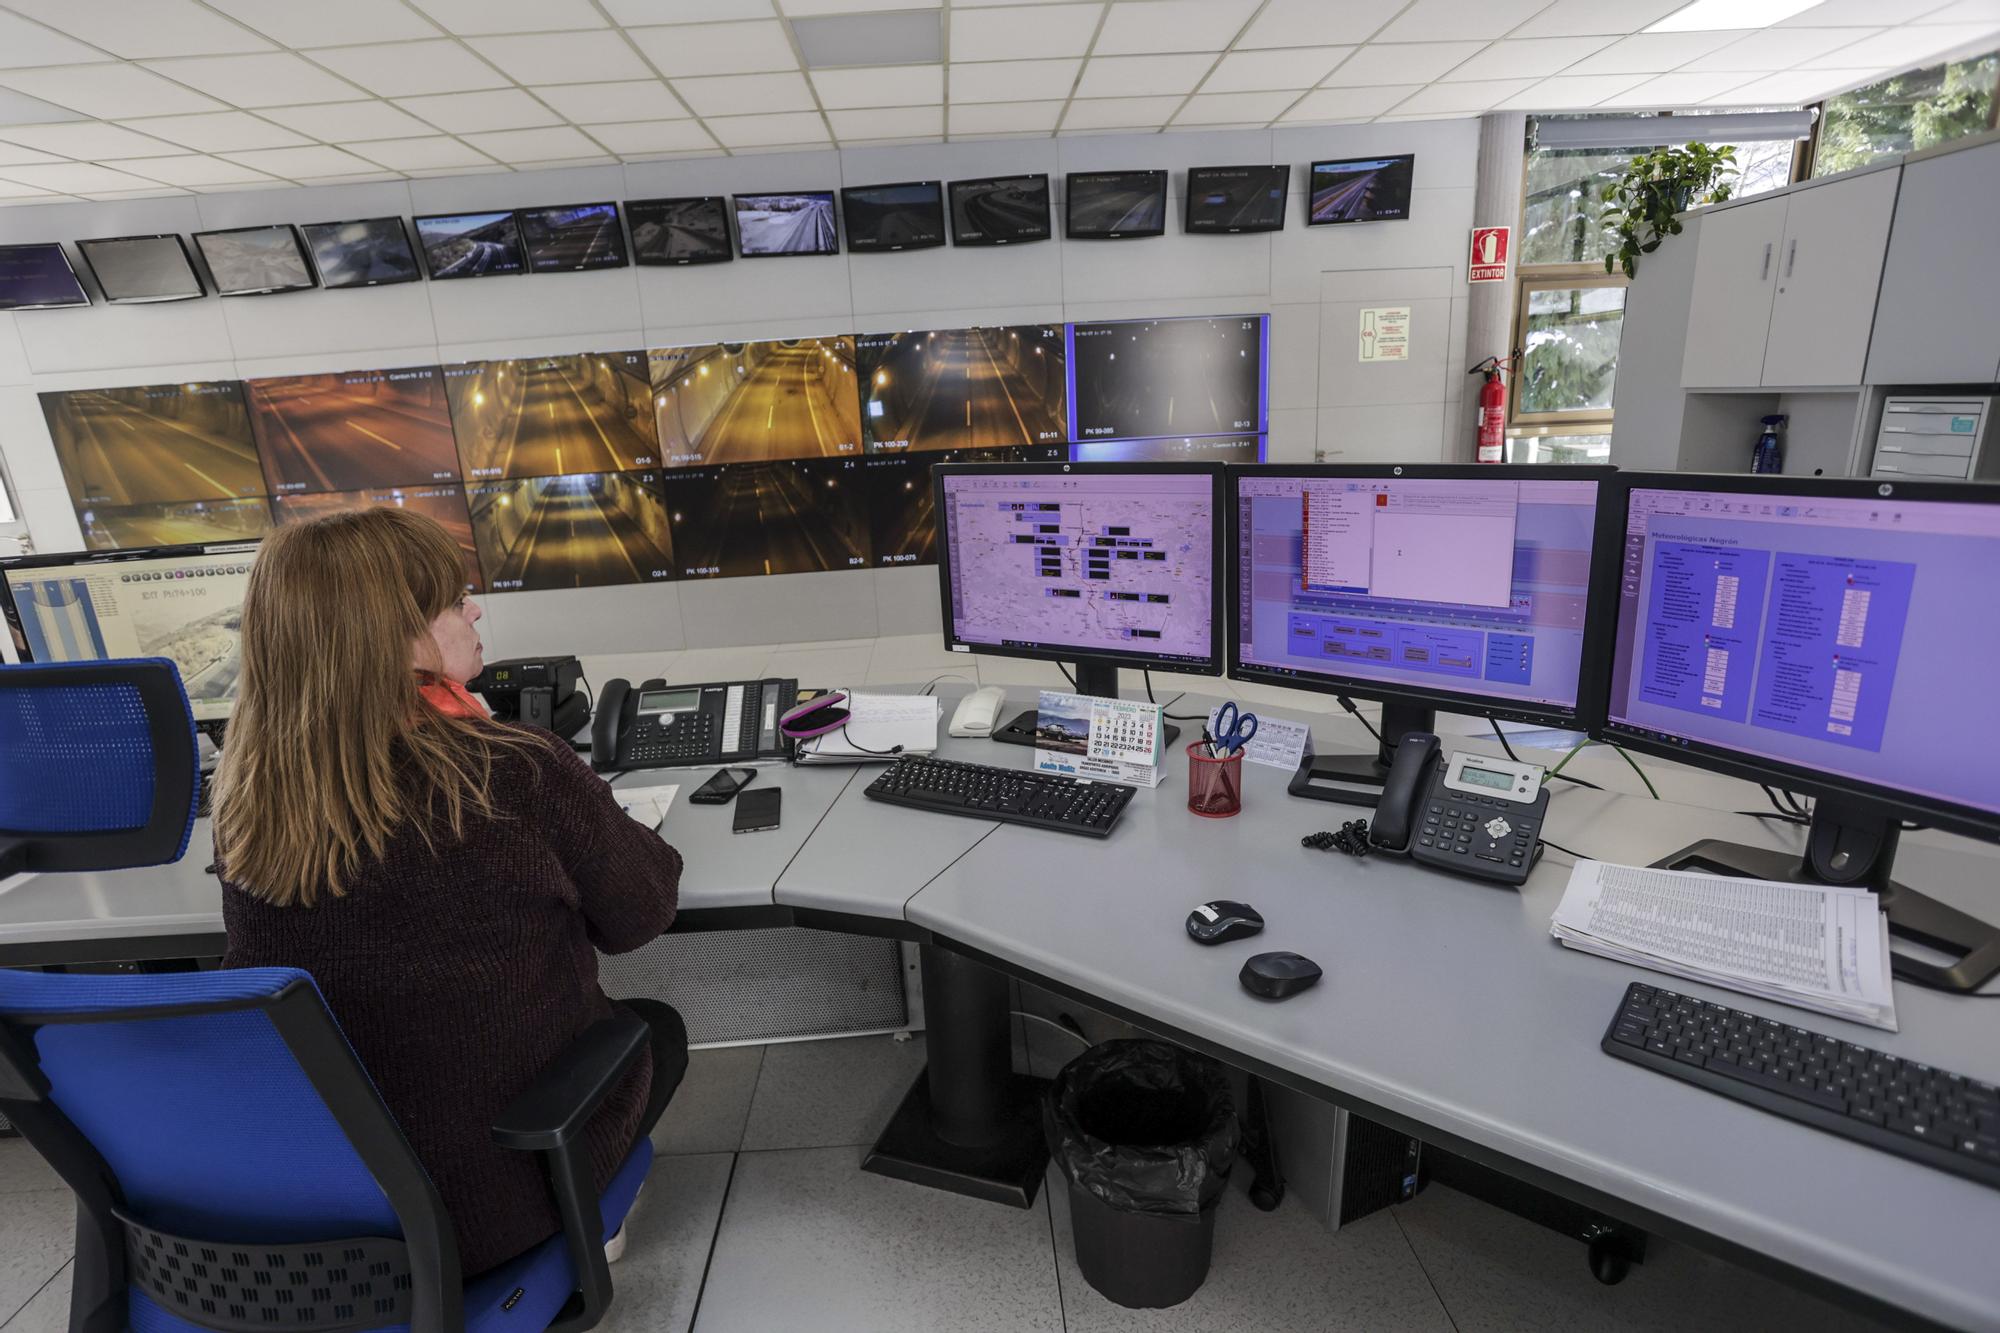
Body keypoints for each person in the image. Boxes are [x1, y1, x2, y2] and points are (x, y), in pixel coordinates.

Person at [214, 508, 685, 1276]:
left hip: (323, 1205)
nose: (474, 611)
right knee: (655, 1030)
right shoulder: (513, 768)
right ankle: (578, 1230)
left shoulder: (249, 797)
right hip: (488, 1207)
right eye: (453, 598)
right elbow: (640, 913)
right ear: (391, 636)